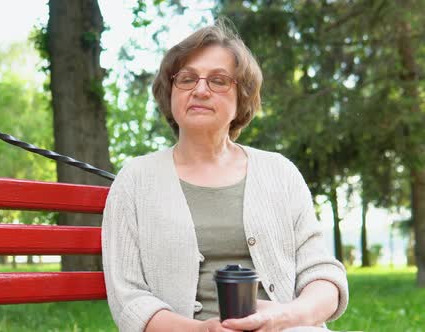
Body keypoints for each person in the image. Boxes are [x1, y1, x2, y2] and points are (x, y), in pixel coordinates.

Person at [101, 20, 348, 332]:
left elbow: (322, 276)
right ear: (171, 92)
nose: (200, 90)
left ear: (241, 97)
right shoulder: (135, 179)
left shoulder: (280, 173)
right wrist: (202, 330)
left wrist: (282, 318)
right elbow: (130, 299)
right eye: (187, 79)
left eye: (218, 81)